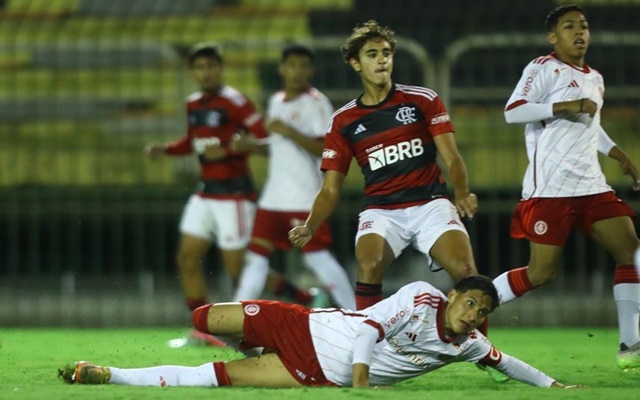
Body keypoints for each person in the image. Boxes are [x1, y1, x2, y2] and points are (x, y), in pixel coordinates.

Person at [58, 275, 582, 389]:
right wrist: (360, 384)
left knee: (214, 379)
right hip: (304, 323)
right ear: (453, 298)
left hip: (312, 371)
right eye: (470, 302)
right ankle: (250, 336)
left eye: (482, 310)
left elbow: (508, 363)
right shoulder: (421, 295)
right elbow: (368, 333)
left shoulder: (469, 345)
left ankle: (111, 374)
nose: (473, 314)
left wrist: (556, 387)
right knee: (203, 319)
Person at [288, 20, 479, 311]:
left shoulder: (421, 99)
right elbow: (330, 189)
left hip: (430, 204)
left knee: (467, 274)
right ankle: (368, 348)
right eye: (372, 54)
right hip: (382, 210)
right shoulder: (343, 121)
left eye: (386, 53)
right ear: (356, 63)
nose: (382, 60)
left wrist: (462, 191)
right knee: (369, 265)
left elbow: (451, 157)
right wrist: (310, 225)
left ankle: (480, 349)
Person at [491, 4, 640, 370]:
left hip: (591, 186)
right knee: (540, 274)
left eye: (584, 26)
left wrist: (617, 152)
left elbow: (592, 124)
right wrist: (565, 104)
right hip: (551, 189)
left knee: (630, 251)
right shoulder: (543, 68)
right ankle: (471, 301)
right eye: (570, 26)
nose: (579, 32)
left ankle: (630, 344)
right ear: (552, 37)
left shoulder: (596, 77)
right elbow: (513, 111)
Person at [144, 43, 313, 343]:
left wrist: (230, 150)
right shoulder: (193, 104)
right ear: (193, 72)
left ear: (221, 68)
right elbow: (192, 142)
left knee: (240, 270)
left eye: (211, 66)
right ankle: (202, 330)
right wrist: (166, 149)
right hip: (205, 194)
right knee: (186, 257)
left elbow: (266, 141)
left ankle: (302, 297)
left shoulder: (236, 102)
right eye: (199, 67)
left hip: (234, 196)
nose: (205, 72)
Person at [232, 45, 355, 309]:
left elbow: (326, 148)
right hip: (273, 197)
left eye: (303, 66)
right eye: (292, 65)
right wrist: (250, 146)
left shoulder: (316, 103)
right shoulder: (276, 101)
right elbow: (278, 149)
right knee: (256, 258)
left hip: (303, 196)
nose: (297, 71)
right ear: (282, 68)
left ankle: (357, 314)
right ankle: (232, 320)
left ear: (310, 70)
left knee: (317, 257)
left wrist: (290, 131)